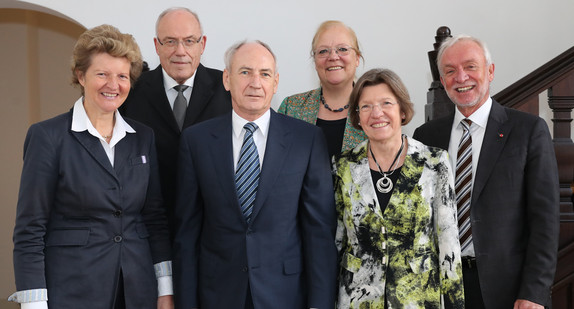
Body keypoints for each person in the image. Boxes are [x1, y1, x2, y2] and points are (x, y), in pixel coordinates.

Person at [9, 25, 172, 309]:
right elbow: (30, 229)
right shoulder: (48, 137)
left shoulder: (143, 137)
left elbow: (155, 220)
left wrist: (165, 289)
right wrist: (34, 303)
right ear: (80, 76)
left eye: (122, 76)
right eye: (102, 74)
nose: (114, 85)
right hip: (73, 291)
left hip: (138, 290)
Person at [173, 40, 338, 309]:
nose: (255, 82)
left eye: (264, 74)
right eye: (245, 72)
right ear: (227, 79)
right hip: (218, 294)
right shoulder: (196, 141)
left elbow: (318, 231)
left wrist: (320, 303)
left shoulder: (306, 139)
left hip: (286, 295)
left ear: (275, 82)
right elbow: (187, 233)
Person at [413, 34, 559, 309]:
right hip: (443, 289)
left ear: (490, 71)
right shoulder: (426, 136)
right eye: (450, 71)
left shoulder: (528, 130)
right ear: (443, 82)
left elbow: (545, 220)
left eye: (470, 67)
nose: (461, 77)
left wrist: (534, 292)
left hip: (510, 291)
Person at [333, 68, 464, 308]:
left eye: (386, 103)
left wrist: (455, 304)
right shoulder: (342, 166)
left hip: (417, 299)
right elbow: (337, 242)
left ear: (402, 110)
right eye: (366, 106)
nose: (377, 113)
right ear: (357, 116)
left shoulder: (434, 163)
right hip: (357, 300)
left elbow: (448, 244)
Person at [120, 7, 231, 237]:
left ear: (203, 44)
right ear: (156, 45)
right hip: (147, 230)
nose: (180, 51)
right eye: (170, 41)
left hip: (215, 233)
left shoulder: (228, 88)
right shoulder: (131, 91)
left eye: (189, 41)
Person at [278, 20, 366, 158]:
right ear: (315, 61)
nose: (333, 57)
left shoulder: (375, 110)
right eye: (323, 51)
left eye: (342, 49)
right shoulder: (291, 108)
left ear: (357, 59)